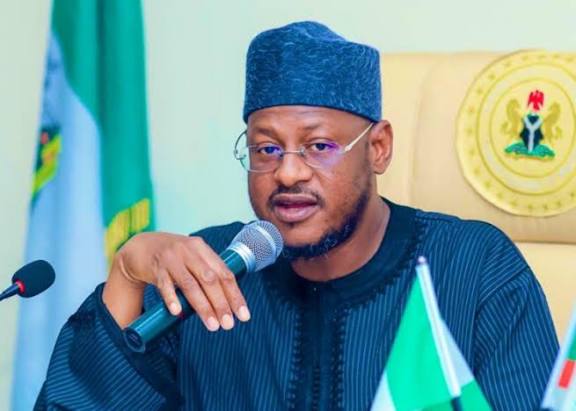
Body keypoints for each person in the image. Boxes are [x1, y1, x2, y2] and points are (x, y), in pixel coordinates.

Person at [36, 21, 558, 410]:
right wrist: (127, 274)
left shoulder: (476, 268)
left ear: (378, 148)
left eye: (319, 146)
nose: (287, 173)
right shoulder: (205, 272)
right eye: (266, 149)